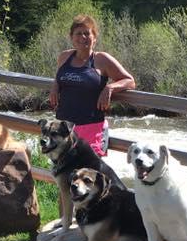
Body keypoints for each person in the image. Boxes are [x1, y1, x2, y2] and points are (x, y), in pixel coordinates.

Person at [49, 14, 136, 156]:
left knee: (88, 174)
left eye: (87, 33)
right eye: (78, 33)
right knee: (64, 173)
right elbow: (59, 77)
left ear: (94, 37)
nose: (82, 37)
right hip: (63, 128)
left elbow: (130, 81)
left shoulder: (102, 59)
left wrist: (109, 88)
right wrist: (55, 86)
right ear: (71, 37)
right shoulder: (64, 57)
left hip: (91, 127)